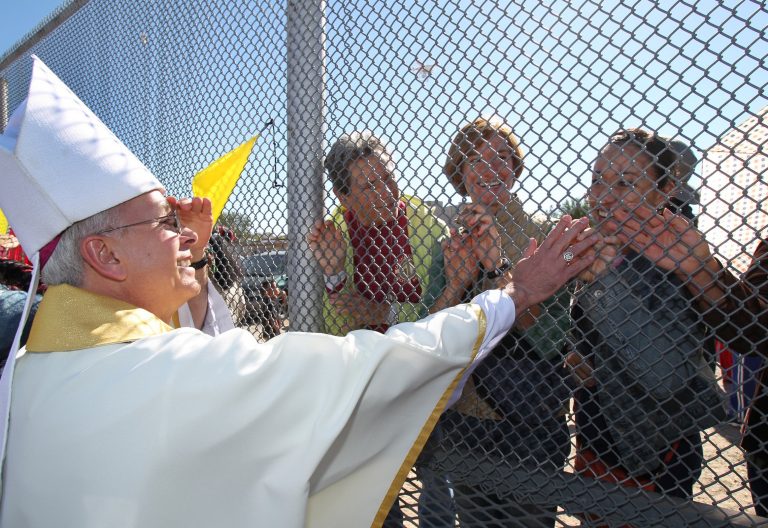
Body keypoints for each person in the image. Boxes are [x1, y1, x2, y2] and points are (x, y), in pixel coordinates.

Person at [0, 56, 598, 528]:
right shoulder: (174, 373)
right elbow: (357, 362)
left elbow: (209, 347)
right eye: (163, 223)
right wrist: (510, 294)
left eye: (387, 176)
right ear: (103, 255)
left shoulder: (22, 376)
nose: (181, 233)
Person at [567, 128, 727, 519]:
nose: (603, 197)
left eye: (624, 182)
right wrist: (572, 356)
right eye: (597, 181)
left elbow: (667, 375)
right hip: (597, 438)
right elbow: (582, 339)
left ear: (665, 189)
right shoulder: (602, 246)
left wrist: (606, 282)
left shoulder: (679, 258)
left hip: (654, 457)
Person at [422, 117, 573, 527]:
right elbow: (429, 336)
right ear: (460, 173)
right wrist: (454, 284)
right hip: (468, 421)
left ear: (515, 168)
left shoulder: (542, 235)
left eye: (502, 157)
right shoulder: (449, 244)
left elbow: (546, 336)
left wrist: (497, 268)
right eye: (477, 159)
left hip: (531, 420)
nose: (491, 168)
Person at [307, 131, 450, 526]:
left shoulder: (426, 227)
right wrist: (335, 273)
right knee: (372, 490)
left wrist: (381, 310)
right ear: (344, 196)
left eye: (388, 176)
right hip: (363, 380)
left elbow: (439, 315)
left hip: (421, 374)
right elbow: (336, 319)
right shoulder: (333, 231)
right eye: (370, 185)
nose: (389, 191)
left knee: (436, 477)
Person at [608, 202, 768, 515]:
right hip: (607, 426)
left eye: (627, 182)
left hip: (669, 426)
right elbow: (752, 328)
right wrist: (701, 271)